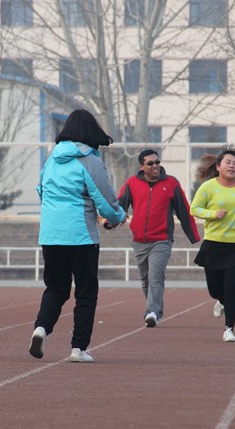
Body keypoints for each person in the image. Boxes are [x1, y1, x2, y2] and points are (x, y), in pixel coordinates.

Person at [28, 109, 127, 363]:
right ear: (91, 132)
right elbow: (105, 201)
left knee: (56, 287)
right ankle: (78, 348)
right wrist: (118, 217)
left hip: (51, 235)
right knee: (86, 292)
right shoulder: (90, 161)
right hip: (81, 236)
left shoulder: (51, 159)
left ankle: (41, 328)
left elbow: (41, 191)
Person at [116, 149, 200, 327]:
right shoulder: (132, 183)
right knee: (146, 279)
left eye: (157, 162)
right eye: (150, 163)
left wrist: (193, 236)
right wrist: (111, 221)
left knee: (155, 275)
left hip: (162, 240)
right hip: (139, 240)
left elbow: (184, 211)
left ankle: (151, 312)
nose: (155, 166)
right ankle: (155, 310)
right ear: (141, 166)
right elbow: (120, 205)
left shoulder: (171, 183)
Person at [190, 145, 235, 342]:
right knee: (215, 289)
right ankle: (221, 301)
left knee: (232, 288)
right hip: (213, 244)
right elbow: (194, 209)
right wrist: (213, 214)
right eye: (228, 162)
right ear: (218, 166)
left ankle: (229, 329)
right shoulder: (208, 187)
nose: (232, 166)